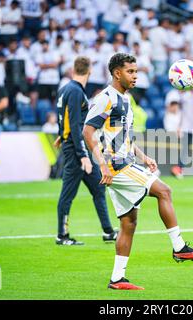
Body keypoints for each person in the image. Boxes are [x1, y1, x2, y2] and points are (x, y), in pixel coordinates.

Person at [82, 53, 193, 290]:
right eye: (130, 72)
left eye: (136, 71)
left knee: (129, 222)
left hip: (126, 162)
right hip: (116, 166)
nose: (135, 76)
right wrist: (102, 164)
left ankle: (117, 278)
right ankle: (179, 247)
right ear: (117, 73)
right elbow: (88, 132)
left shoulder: (126, 100)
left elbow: (124, 136)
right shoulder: (105, 98)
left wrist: (144, 156)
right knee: (164, 191)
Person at [55, 56, 118, 246]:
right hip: (76, 149)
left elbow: (64, 117)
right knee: (67, 194)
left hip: (72, 143)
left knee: (99, 187)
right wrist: (83, 156)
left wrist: (61, 134)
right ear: (89, 70)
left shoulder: (66, 89)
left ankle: (107, 231)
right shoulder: (75, 91)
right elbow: (75, 125)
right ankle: (62, 235)